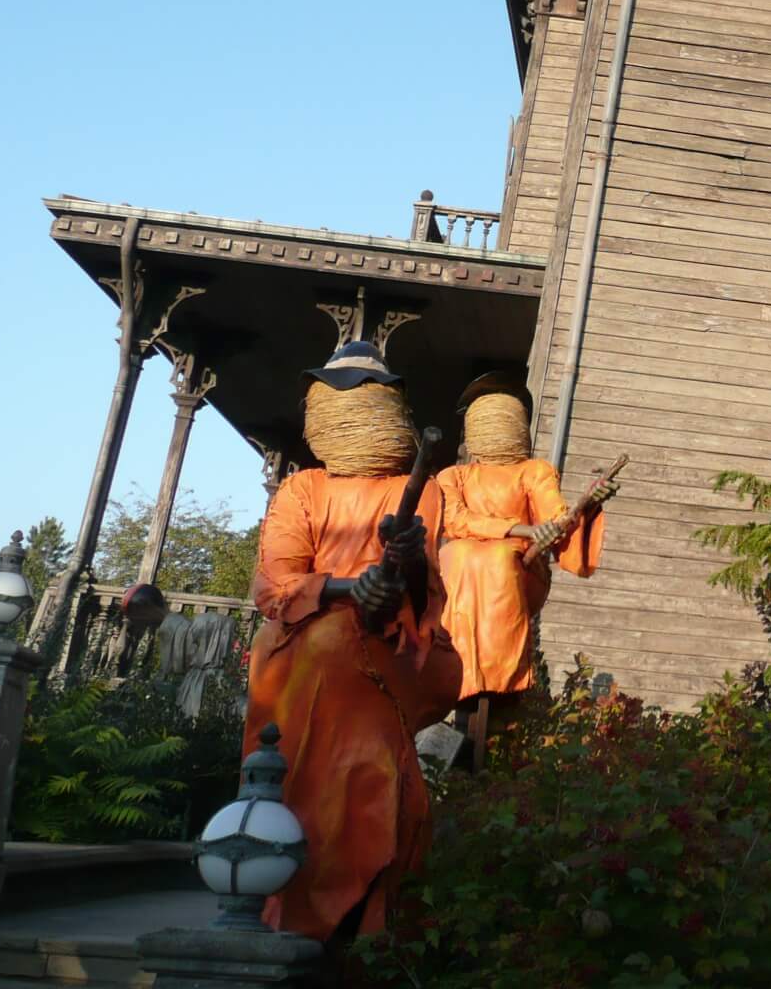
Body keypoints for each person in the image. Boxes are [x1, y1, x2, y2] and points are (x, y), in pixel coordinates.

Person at [245, 341, 462, 941]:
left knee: (348, 671)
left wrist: (404, 567)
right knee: (325, 650)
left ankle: (360, 897)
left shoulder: (423, 490)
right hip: (303, 644)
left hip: (393, 644)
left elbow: (424, 593)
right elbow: (276, 584)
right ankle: (292, 890)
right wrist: (346, 588)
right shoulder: (303, 490)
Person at [436, 376, 612, 706]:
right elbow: (455, 520)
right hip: (466, 570)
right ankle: (456, 666)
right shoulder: (453, 476)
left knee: (497, 558)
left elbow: (557, 520)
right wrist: (521, 530)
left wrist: (588, 506)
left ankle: (502, 676)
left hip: (520, 570)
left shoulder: (534, 472)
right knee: (455, 554)